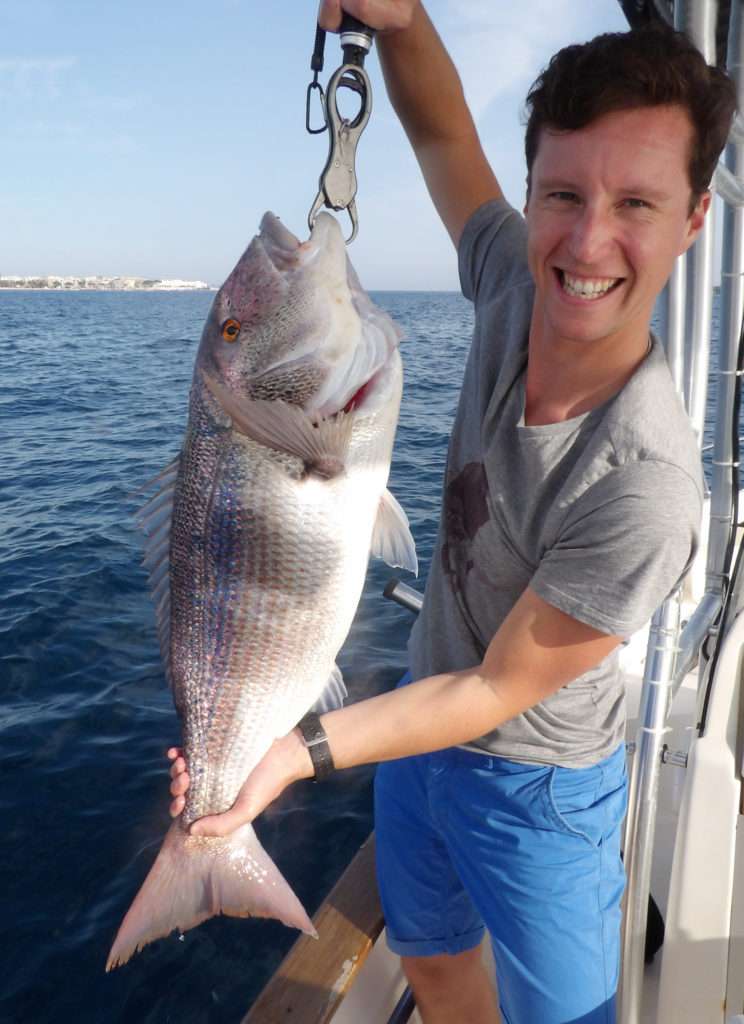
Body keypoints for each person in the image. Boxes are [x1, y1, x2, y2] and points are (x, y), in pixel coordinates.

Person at [168, 4, 736, 1021]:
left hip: (539, 790)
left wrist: (295, 749)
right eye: (562, 193)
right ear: (531, 193)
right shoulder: (516, 284)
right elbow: (441, 136)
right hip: (417, 733)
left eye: (638, 204)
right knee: (430, 958)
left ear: (695, 219)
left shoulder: (647, 485)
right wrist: (400, 19)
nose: (588, 238)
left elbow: (495, 689)